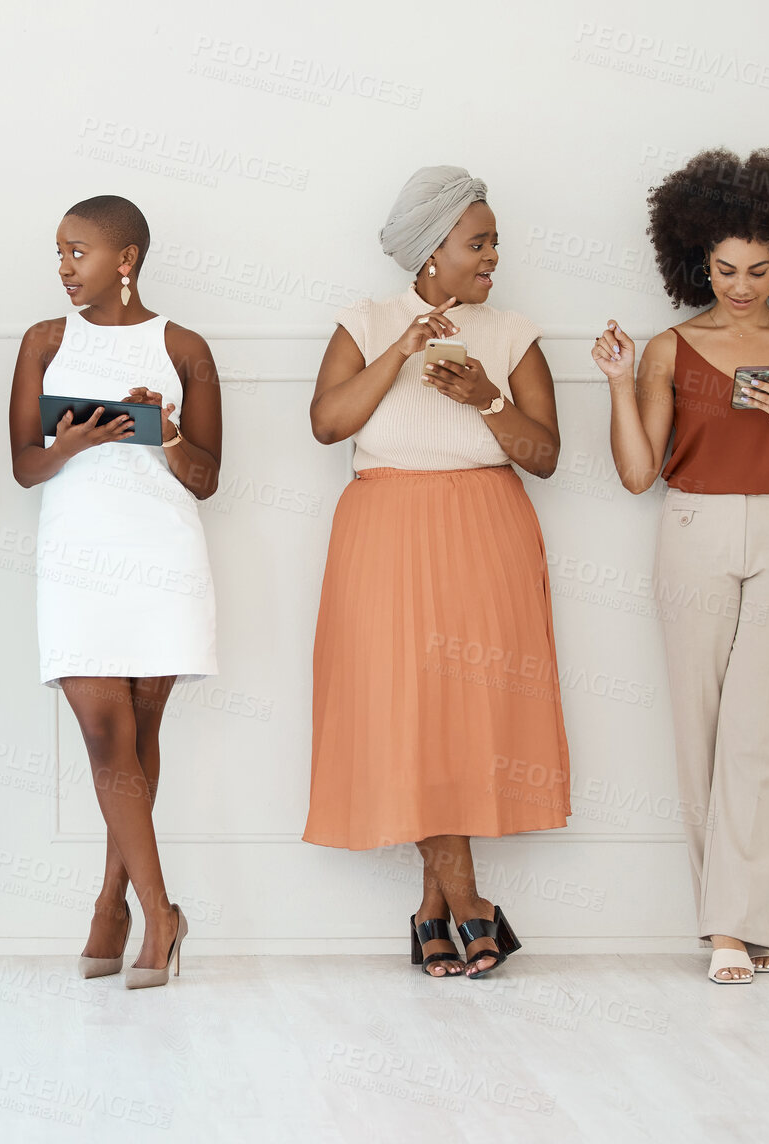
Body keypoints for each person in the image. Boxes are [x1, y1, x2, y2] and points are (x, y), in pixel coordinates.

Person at [304, 166, 570, 979]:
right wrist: (401, 350)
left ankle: (431, 909)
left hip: (485, 532)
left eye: (493, 241)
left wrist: (488, 399)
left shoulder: (514, 331)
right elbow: (326, 424)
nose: (494, 255)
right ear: (430, 251)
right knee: (401, 712)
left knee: (461, 718)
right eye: (477, 242)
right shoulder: (366, 320)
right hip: (384, 531)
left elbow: (547, 456)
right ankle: (472, 907)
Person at [592, 147, 769, 984]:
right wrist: (620, 385)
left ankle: (740, 922)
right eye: (726, 269)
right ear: (698, 259)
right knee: (700, 727)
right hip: (693, 524)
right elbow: (637, 475)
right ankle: (733, 927)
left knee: (761, 735)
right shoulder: (669, 348)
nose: (741, 286)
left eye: (760, 270)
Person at [7, 195, 222, 989]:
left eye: (79, 252)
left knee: (137, 730)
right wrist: (66, 446)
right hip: (77, 558)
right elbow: (25, 466)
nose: (64, 267)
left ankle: (111, 901)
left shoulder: (186, 347)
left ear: (124, 259)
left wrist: (164, 433)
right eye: (59, 252)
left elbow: (205, 478)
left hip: (162, 557)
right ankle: (162, 911)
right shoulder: (43, 342)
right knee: (104, 734)